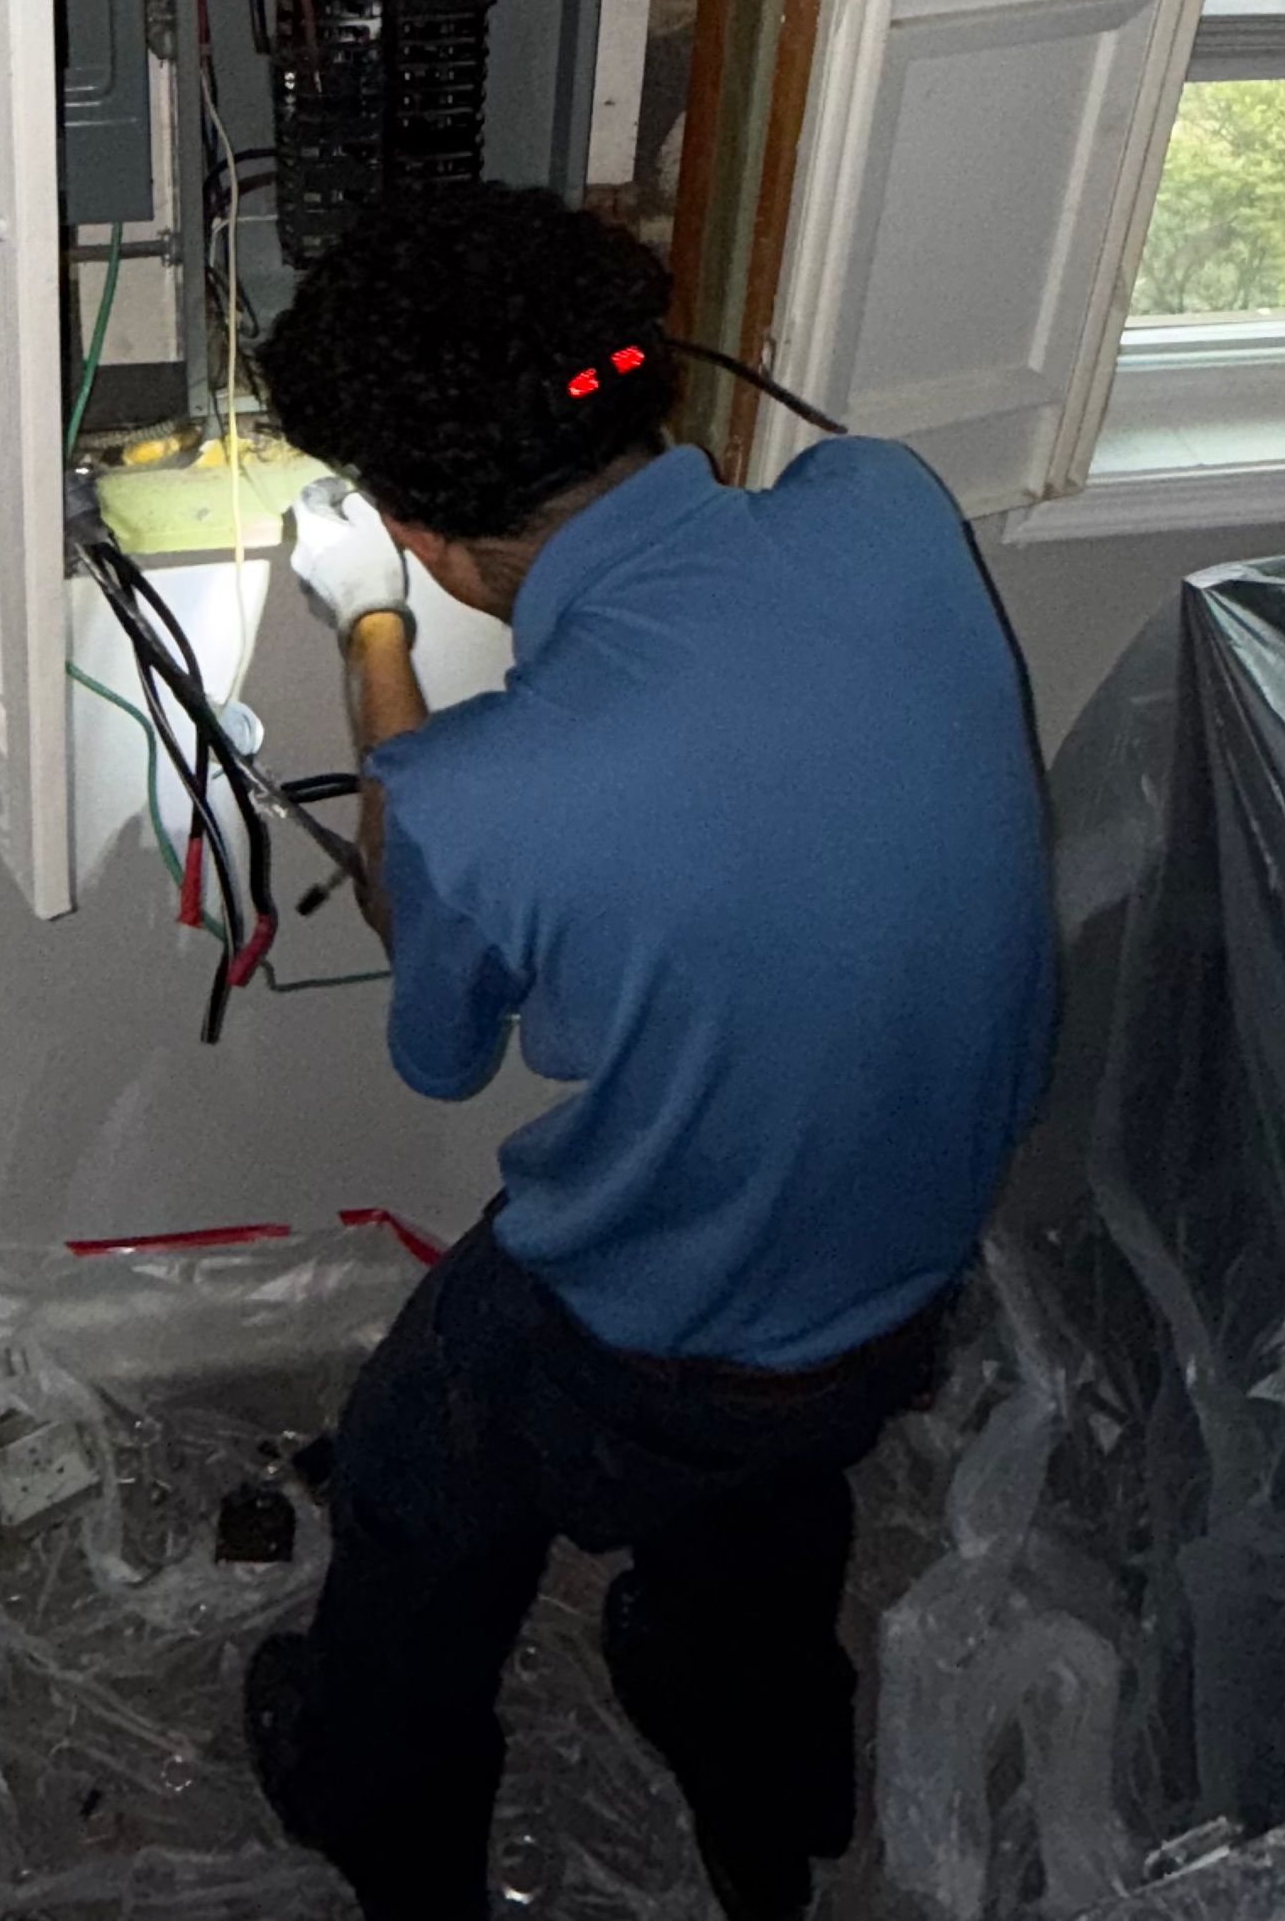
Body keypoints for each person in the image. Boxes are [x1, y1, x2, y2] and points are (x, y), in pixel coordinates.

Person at [245, 182, 1055, 1921]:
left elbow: (446, 1043)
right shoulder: (888, 504)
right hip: (902, 1269)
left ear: (422, 533)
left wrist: (369, 633)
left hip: (652, 1339)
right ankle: (774, 1801)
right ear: (646, 377)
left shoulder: (483, 795)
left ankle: (378, 1807)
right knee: (762, 1512)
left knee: (414, 1467)